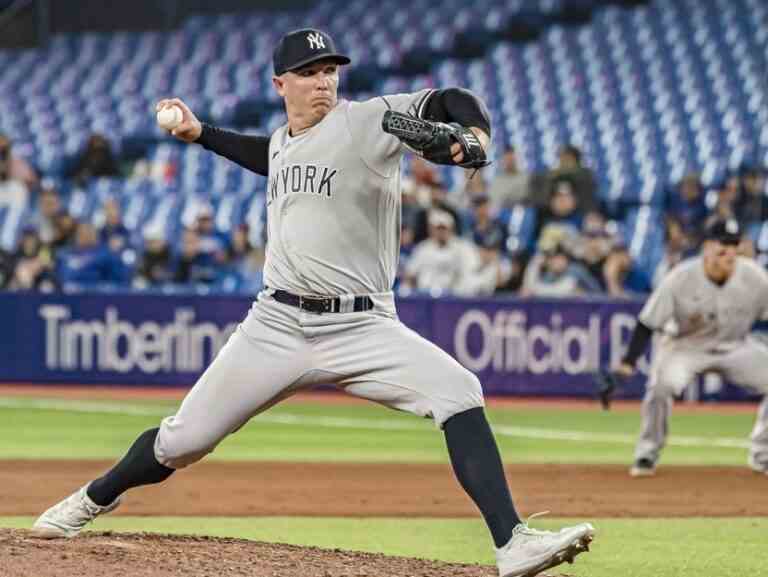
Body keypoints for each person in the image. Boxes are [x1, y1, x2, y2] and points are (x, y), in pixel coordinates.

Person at [31, 28, 594, 577]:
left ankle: (512, 542)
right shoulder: (281, 141)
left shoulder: (367, 120)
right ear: (281, 84)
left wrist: (473, 137)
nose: (323, 81)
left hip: (364, 325)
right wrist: (202, 133)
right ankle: (93, 497)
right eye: (309, 73)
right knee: (183, 441)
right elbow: (267, 154)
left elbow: (449, 99)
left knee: (459, 391)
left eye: (329, 71)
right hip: (274, 324)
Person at [614, 219, 768, 477]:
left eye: (734, 244)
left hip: (735, 346)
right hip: (685, 347)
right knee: (661, 386)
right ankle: (646, 453)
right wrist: (628, 362)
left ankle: (763, 455)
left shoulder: (754, 277)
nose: (730, 251)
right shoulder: (680, 278)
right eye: (723, 245)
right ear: (707, 247)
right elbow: (647, 322)